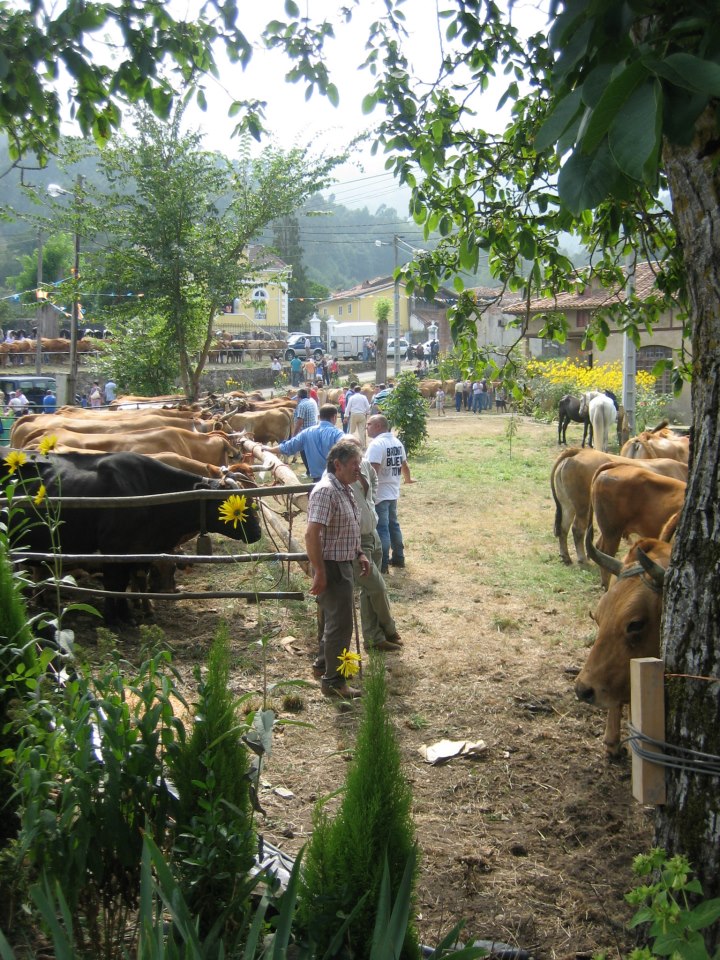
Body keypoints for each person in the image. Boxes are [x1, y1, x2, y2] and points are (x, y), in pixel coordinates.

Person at [305, 438, 370, 699]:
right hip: (331, 566)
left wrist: (360, 553)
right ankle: (334, 682)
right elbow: (312, 534)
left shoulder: (343, 487)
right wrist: (320, 571)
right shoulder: (326, 491)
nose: (359, 469)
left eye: (359, 464)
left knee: (334, 621)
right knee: (340, 625)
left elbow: (346, 528)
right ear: (337, 464)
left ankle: (323, 666)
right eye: (354, 464)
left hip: (341, 562)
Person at [348, 440, 402, 653]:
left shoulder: (364, 466)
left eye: (359, 455)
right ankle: (389, 629)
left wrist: (369, 505)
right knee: (377, 587)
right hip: (358, 541)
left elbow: (374, 484)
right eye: (353, 458)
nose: (358, 462)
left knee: (369, 590)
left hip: (374, 534)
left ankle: (373, 638)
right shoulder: (338, 476)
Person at [366, 414, 415, 573]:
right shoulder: (396, 442)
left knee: (382, 528)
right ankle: (399, 558)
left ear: (378, 426)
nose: (367, 427)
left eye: (369, 424)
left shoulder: (376, 444)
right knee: (393, 525)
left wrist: (366, 492)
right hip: (393, 491)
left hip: (379, 493)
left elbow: (372, 471)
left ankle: (383, 564)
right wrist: (407, 479)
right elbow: (404, 465)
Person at [263, 404, 343, 482]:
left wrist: (269, 449)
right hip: (336, 479)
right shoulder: (337, 434)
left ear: (319, 417)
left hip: (317, 481)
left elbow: (288, 447)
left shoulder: (306, 432)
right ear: (334, 417)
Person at [293, 387, 319, 475]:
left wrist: (294, 434)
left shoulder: (301, 405)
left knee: (304, 452)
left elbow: (300, 421)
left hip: (305, 432)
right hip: (313, 430)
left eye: (297, 397)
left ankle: (309, 471)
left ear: (299, 397)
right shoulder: (310, 402)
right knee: (311, 452)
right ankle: (312, 470)